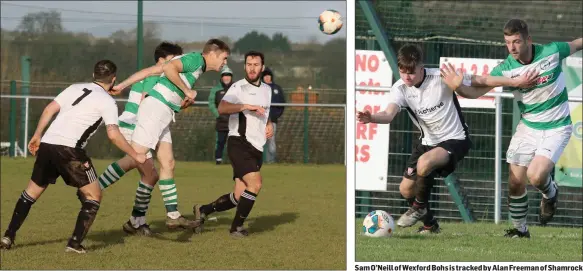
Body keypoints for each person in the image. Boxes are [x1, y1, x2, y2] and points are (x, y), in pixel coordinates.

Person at [440, 18, 582, 238]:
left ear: (528, 39)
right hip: (528, 127)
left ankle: (550, 194)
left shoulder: (552, 51)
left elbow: (576, 43)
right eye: (507, 42)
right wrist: (457, 86)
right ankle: (520, 230)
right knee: (515, 182)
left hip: (557, 127)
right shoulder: (506, 69)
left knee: (535, 176)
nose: (512, 47)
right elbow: (475, 91)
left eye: (516, 41)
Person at [0, 60, 146, 253]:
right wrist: (135, 154)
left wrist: (37, 135)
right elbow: (113, 134)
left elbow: (49, 109)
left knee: (31, 193)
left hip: (48, 144)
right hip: (70, 150)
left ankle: (8, 236)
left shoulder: (74, 87)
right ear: (113, 79)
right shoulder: (108, 101)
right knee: (94, 195)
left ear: (93, 75)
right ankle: (74, 244)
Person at [110, 38, 230, 235]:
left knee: (167, 163)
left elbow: (151, 71)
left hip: (163, 111)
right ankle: (94, 186)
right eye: (224, 58)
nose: (224, 63)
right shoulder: (196, 60)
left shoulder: (192, 63)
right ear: (213, 53)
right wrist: (187, 90)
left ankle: (172, 216)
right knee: (135, 157)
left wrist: (122, 85)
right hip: (156, 109)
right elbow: (169, 69)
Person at [357, 44, 480, 234]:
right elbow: (389, 115)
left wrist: (513, 81)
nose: (407, 77)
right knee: (406, 189)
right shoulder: (400, 88)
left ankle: (419, 206)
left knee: (424, 162)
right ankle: (430, 225)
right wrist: (372, 117)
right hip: (427, 141)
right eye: (402, 72)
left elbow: (481, 80)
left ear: (421, 67)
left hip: (455, 139)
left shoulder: (440, 76)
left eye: (411, 72)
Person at [93, 42, 199, 231]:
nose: (178, 63)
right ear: (161, 60)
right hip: (135, 125)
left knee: (151, 175)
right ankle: (93, 189)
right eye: (173, 59)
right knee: (136, 163)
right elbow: (148, 101)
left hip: (142, 124)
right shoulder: (158, 75)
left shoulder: (159, 75)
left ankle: (136, 221)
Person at [193, 51, 274, 237]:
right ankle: (236, 228)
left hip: (256, 146)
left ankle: (203, 210)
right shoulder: (239, 88)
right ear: (244, 66)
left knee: (239, 195)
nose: (252, 68)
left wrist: (268, 125)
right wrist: (244, 106)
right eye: (248, 64)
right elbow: (222, 108)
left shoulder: (267, 90)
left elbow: (265, 113)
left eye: (256, 64)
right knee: (255, 184)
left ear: (262, 67)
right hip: (239, 142)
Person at [208, 65, 234, 165]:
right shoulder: (216, 89)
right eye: (224, 75)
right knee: (220, 141)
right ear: (221, 77)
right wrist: (218, 114)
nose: (226, 78)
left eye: (228, 75)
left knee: (234, 143)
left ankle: (234, 160)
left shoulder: (236, 88)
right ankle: (218, 160)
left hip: (234, 120)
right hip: (221, 121)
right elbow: (211, 103)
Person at [262, 67, 285, 163]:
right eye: (265, 76)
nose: (267, 78)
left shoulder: (277, 89)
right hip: (260, 120)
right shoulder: (258, 88)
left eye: (268, 76)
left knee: (271, 140)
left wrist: (275, 115)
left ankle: (271, 161)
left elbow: (282, 104)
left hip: (272, 120)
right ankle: (260, 161)